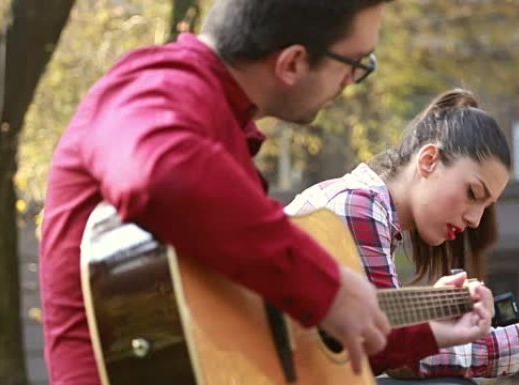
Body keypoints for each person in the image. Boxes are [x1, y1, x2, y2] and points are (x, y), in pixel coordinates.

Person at [39, 2, 494, 384]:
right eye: (356, 64)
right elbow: (161, 177)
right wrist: (328, 286)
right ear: (292, 62)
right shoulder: (151, 87)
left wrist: (430, 329)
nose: (351, 84)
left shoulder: (223, 130)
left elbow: (288, 343)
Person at [285, 89, 519, 378]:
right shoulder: (358, 206)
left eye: (486, 206)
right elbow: (397, 353)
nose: (474, 220)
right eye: (473, 193)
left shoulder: (366, 207)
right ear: (428, 161)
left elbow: (398, 347)